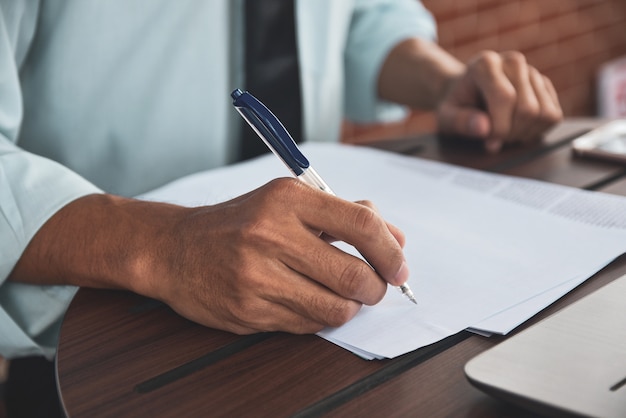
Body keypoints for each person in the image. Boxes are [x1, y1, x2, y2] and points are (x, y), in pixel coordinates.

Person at [0, 0, 562, 414]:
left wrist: (443, 82)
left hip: (310, 362)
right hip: (101, 355)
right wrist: (165, 246)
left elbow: (365, 18)